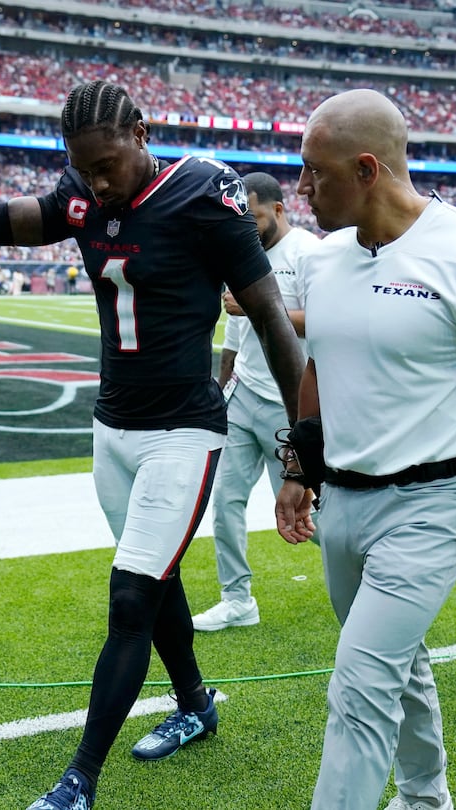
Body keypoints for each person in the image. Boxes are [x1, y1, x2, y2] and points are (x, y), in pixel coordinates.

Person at [0, 34, 304, 810]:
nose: (96, 182)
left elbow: (273, 319)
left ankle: (80, 779)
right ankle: (196, 705)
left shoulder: (205, 192)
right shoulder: (79, 196)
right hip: (114, 428)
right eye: (83, 166)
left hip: (186, 427)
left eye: (107, 163)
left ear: (141, 134)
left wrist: (304, 439)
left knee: (131, 595)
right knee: (158, 577)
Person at [274, 89, 456, 810]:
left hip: (434, 502)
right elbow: (318, 369)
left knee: (361, 682)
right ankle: (427, 796)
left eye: (314, 173)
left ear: (367, 169)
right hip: (344, 499)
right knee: (395, 664)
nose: (301, 190)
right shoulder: (327, 260)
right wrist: (300, 469)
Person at [192, 172, 318, 632]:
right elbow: (234, 332)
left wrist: (261, 307)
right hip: (243, 397)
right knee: (224, 499)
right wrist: (222, 385)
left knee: (313, 510)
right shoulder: (243, 252)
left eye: (255, 215)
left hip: (292, 404)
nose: (247, 225)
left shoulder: (308, 253)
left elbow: (328, 319)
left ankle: (367, 578)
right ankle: (237, 599)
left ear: (279, 210)